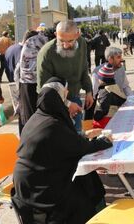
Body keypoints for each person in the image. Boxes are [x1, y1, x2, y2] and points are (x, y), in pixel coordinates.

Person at [12, 77, 113, 224]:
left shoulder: (38, 118)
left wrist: (84, 135)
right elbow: (81, 147)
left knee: (84, 178)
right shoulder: (52, 124)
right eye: (64, 97)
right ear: (57, 99)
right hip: (38, 188)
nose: (66, 102)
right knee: (84, 187)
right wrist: (105, 141)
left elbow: (62, 142)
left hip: (29, 182)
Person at [37, 21, 94, 132]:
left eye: (70, 41)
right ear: (55, 35)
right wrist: (67, 104)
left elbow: (83, 69)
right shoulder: (46, 53)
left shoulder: (82, 44)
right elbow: (43, 90)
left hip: (75, 98)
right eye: (61, 40)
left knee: (77, 133)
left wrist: (88, 91)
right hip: (56, 104)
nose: (65, 45)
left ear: (77, 35)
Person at [15, 31, 50, 134]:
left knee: (26, 119)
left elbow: (16, 73)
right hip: (36, 88)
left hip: (24, 87)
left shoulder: (24, 52)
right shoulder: (40, 49)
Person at [92, 63, 127, 128]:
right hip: (115, 119)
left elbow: (102, 109)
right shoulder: (115, 88)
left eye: (99, 78)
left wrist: (96, 117)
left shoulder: (105, 91)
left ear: (102, 80)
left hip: (104, 122)